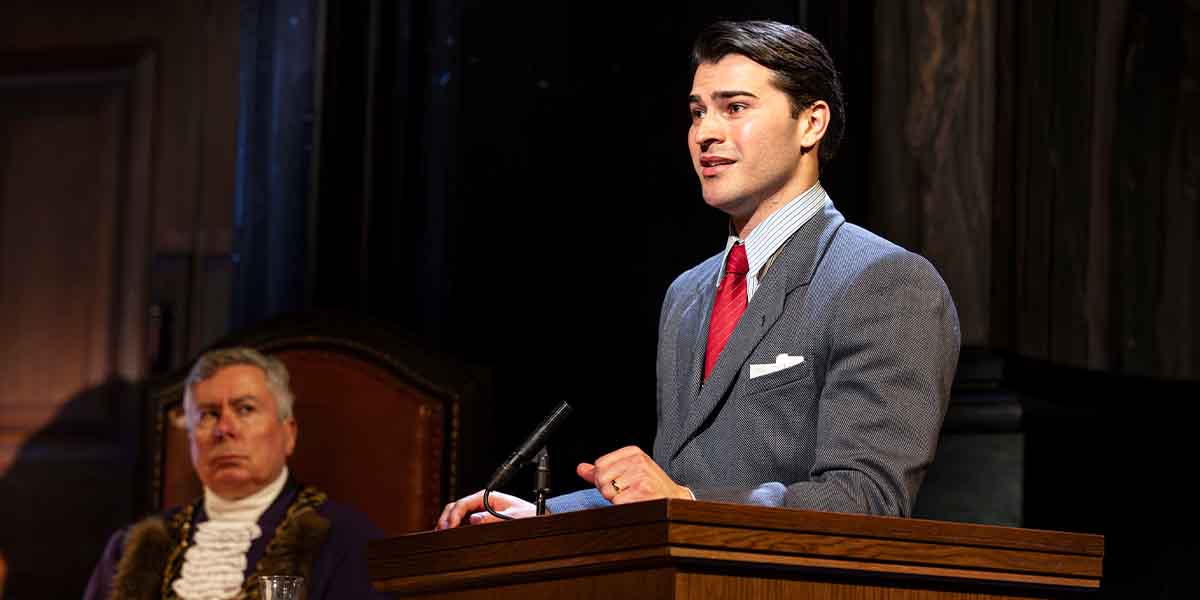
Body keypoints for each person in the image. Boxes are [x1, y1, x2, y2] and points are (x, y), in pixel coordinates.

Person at [437, 19, 960, 529]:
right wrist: (546, 518)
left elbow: (867, 499)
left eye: (735, 108)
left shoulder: (884, 281)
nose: (706, 133)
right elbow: (672, 489)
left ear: (811, 123)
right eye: (697, 113)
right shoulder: (686, 294)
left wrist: (685, 499)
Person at [84, 348, 387, 600]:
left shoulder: (344, 540)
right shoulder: (131, 550)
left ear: (288, 433)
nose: (224, 429)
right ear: (190, 437)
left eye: (245, 409)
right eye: (208, 414)